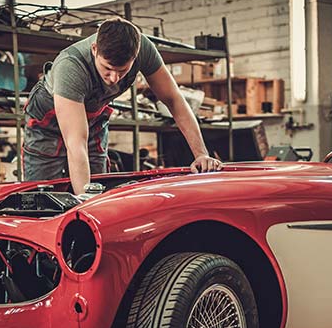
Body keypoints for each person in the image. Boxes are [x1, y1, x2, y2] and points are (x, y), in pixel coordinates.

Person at [23, 16, 222, 194]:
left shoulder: (143, 48)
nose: (114, 78)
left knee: (98, 186)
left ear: (136, 57)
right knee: (44, 197)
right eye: (107, 69)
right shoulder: (70, 67)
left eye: (122, 71)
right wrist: (85, 203)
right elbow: (76, 143)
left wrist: (201, 154)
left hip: (93, 118)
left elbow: (174, 100)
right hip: (48, 122)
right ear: (94, 50)